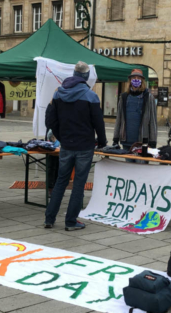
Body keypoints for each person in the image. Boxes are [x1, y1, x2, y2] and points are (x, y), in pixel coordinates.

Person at [44, 61, 106, 231]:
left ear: (73, 74)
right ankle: (71, 221)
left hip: (67, 144)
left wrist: (62, 136)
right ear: (85, 76)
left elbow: (50, 120)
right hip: (85, 145)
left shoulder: (58, 94)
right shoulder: (90, 95)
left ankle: (49, 218)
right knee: (79, 183)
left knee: (61, 181)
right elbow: (98, 122)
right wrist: (102, 142)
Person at [113, 69, 158, 160]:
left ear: (142, 81)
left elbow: (153, 120)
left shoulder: (148, 97)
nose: (136, 79)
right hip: (126, 141)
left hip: (142, 142)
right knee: (129, 171)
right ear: (130, 80)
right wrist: (115, 139)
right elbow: (119, 119)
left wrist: (153, 141)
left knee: (141, 171)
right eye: (134, 77)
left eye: (138, 78)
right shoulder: (124, 97)